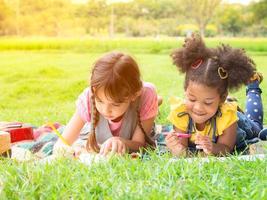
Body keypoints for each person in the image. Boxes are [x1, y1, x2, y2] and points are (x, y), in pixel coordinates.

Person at [165, 34, 266, 157]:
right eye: (192, 99)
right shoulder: (181, 113)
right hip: (218, 108)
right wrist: (176, 148)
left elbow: (227, 148)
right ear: (185, 91)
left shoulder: (226, 115)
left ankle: (253, 87)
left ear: (221, 98)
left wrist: (212, 147)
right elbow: (183, 151)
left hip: (242, 125)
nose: (198, 108)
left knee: (258, 128)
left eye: (207, 102)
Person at [53, 52, 159, 156]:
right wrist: (70, 151)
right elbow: (62, 143)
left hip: (141, 105)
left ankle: (156, 103)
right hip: (95, 131)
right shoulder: (88, 97)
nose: (106, 110)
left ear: (134, 95)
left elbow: (139, 144)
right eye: (99, 101)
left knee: (151, 103)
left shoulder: (146, 94)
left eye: (115, 104)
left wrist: (122, 142)